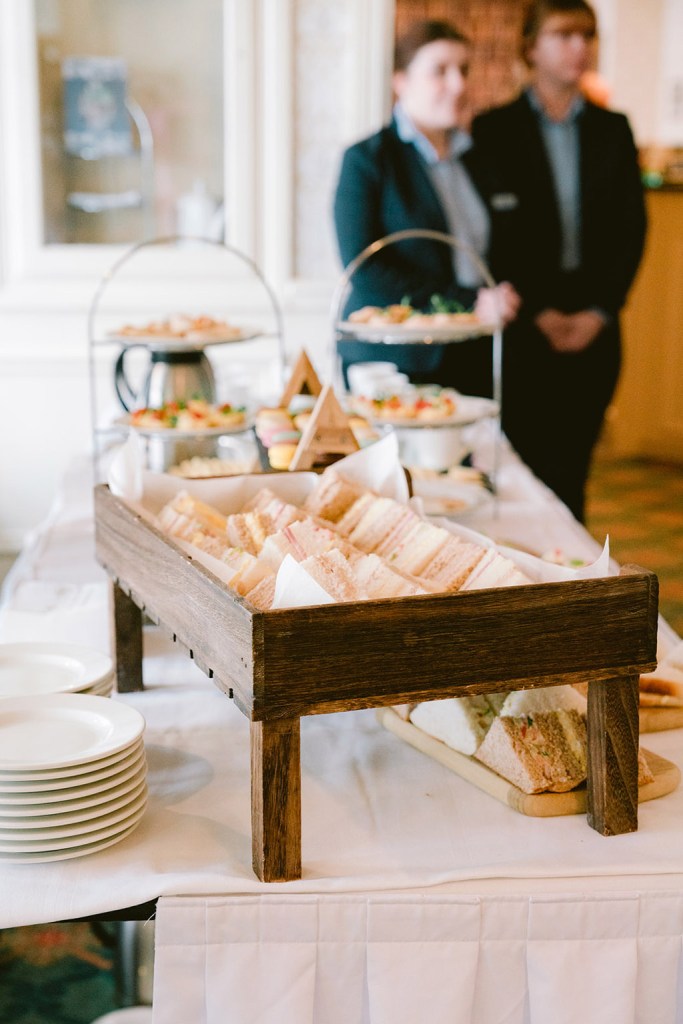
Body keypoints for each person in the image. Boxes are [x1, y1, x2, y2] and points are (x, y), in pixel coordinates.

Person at [472, 0, 647, 522]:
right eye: (565, 34)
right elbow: (494, 237)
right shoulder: (494, 130)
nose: (581, 47)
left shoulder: (613, 128)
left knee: (574, 473)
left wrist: (600, 310)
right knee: (526, 477)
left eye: (588, 35)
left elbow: (631, 229)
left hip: (597, 321)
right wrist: (540, 312)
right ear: (531, 47)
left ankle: (573, 591)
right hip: (526, 321)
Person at [333, 19, 521, 395]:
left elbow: (505, 243)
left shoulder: (481, 160)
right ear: (400, 81)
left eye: (463, 71)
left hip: (474, 351)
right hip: (394, 361)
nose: (459, 84)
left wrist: (505, 292)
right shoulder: (368, 160)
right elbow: (365, 266)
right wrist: (469, 301)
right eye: (440, 71)